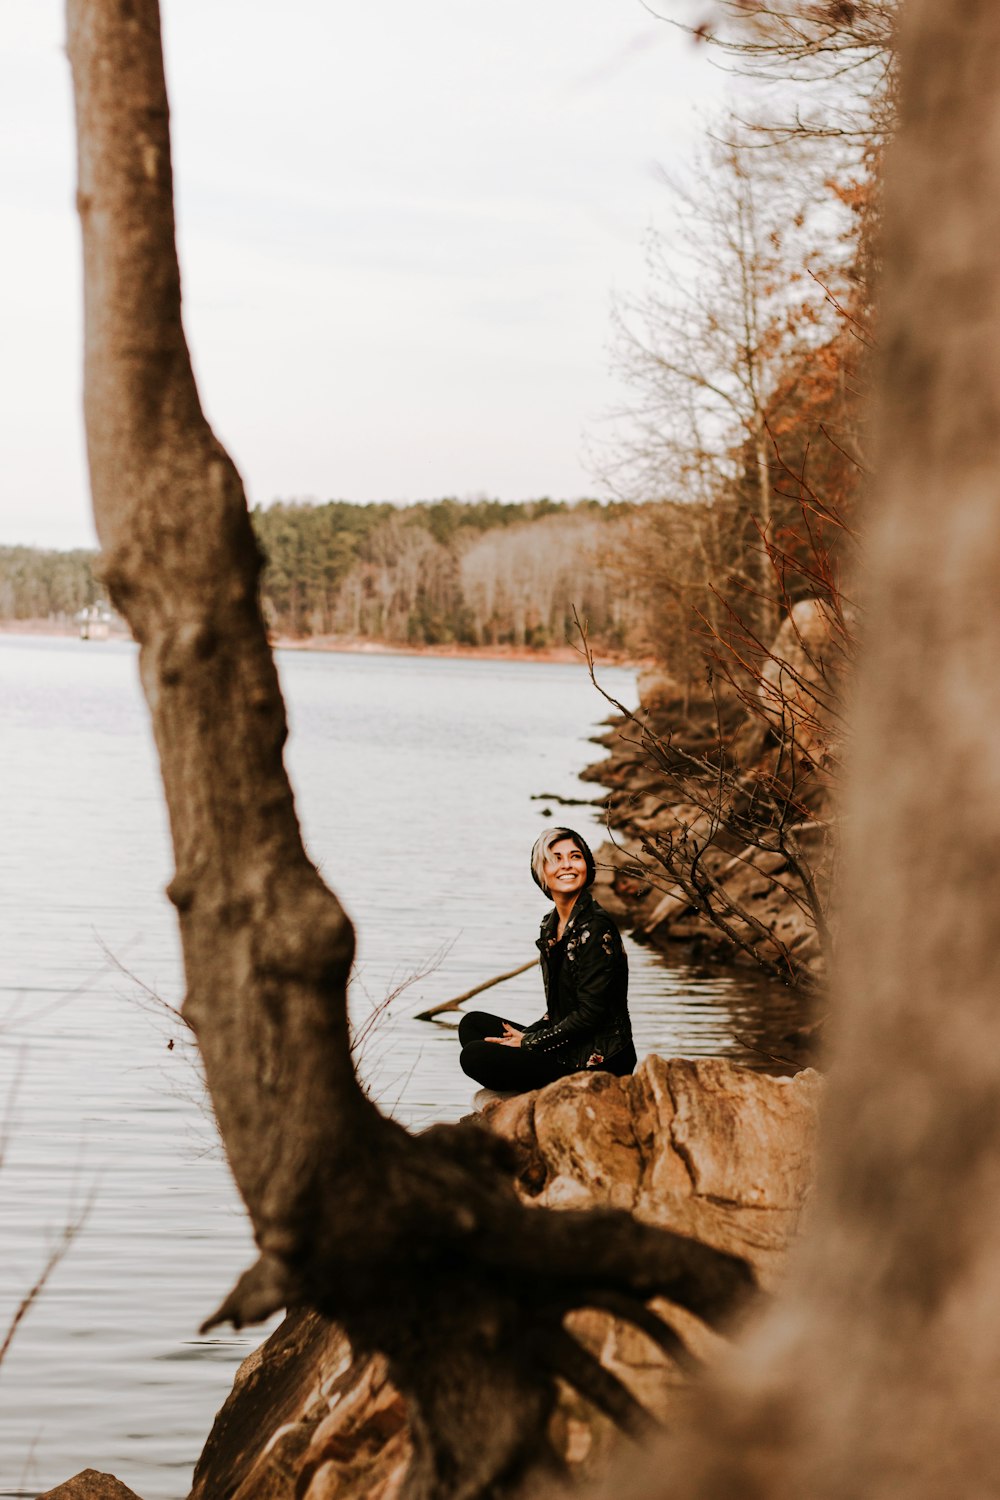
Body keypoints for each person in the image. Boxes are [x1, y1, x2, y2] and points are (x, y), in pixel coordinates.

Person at [459, 826, 636, 1094]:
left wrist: (530, 1043)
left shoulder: (596, 927)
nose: (567, 865)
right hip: (569, 1047)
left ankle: (541, 1097)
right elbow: (561, 1008)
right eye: (556, 858)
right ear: (541, 872)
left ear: (587, 865)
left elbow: (591, 1015)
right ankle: (532, 1084)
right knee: (473, 1025)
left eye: (575, 857)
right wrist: (526, 1036)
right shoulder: (551, 924)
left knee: (474, 1056)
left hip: (598, 1062)